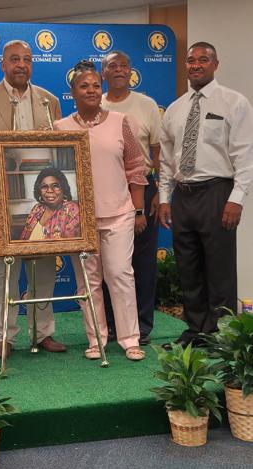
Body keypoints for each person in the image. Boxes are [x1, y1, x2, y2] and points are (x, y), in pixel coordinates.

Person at [0, 39, 66, 358]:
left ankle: (43, 333)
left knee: (43, 269)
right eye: (14, 59)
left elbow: (60, 153)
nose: (21, 64)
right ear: (2, 64)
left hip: (42, 200)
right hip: (0, 200)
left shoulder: (49, 101)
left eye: (27, 59)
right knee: (4, 272)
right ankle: (3, 337)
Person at [159, 42, 253, 349]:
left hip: (217, 192)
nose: (196, 64)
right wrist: (163, 197)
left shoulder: (234, 103)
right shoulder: (175, 109)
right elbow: (166, 159)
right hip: (183, 195)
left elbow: (244, 154)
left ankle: (222, 332)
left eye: (203, 59)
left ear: (215, 64)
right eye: (191, 60)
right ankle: (196, 328)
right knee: (188, 266)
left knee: (219, 267)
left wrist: (237, 197)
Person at [54, 61, 149, 361]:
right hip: (77, 219)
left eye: (96, 85)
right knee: (88, 282)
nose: (92, 90)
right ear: (73, 92)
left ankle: (130, 339)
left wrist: (138, 210)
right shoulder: (60, 128)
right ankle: (97, 339)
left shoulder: (121, 121)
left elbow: (136, 168)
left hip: (119, 213)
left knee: (120, 274)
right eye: (84, 86)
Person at [101, 50, 161, 346]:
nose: (119, 70)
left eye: (124, 65)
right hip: (105, 189)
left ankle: (143, 325)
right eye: (112, 66)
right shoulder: (94, 104)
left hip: (143, 187)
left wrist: (159, 191)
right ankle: (112, 325)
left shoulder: (147, 105)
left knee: (142, 260)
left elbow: (159, 152)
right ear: (104, 73)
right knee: (109, 261)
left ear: (131, 71)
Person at [20, 167, 80, 240]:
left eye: (55, 186)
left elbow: (72, 246)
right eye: (44, 187)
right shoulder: (37, 209)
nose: (50, 190)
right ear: (39, 191)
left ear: (63, 189)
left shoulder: (72, 210)